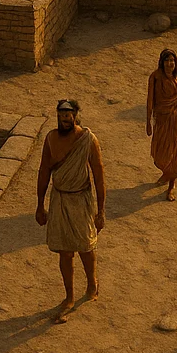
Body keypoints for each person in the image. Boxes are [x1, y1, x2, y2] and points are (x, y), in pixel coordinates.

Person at [36, 99, 106, 321]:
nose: (64, 120)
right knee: (65, 252)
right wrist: (40, 204)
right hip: (59, 199)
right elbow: (44, 171)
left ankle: (92, 284)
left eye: (67, 116)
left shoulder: (88, 140)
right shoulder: (50, 139)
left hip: (81, 199)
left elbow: (99, 175)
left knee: (85, 246)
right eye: (60, 116)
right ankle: (69, 296)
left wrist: (101, 211)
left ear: (75, 116)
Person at [146, 49, 177, 200]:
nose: (169, 64)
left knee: (176, 154)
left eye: (172, 60)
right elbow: (150, 101)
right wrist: (148, 122)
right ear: (162, 62)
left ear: (176, 62)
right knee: (160, 154)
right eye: (167, 61)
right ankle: (166, 173)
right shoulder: (155, 77)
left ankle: (171, 185)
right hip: (162, 120)